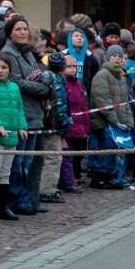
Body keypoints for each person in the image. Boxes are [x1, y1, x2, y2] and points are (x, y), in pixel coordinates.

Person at [0, 16, 52, 216]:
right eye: (18, 29)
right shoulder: (8, 54)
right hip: (20, 114)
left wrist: (43, 85)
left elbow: (42, 76)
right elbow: (17, 82)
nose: (23, 32)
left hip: (35, 113)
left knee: (31, 161)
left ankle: (31, 198)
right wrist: (42, 88)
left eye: (25, 29)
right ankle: (18, 201)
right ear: (10, 32)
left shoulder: (29, 54)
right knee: (18, 162)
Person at [0, 54, 26, 221]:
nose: (0, 71)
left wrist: (22, 127)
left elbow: (19, 109)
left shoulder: (14, 88)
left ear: (9, 70)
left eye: (4, 67)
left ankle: (4, 207)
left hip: (11, 137)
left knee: (5, 173)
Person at [87, 45, 135, 190]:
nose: (118, 58)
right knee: (105, 152)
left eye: (120, 56)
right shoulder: (102, 75)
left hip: (117, 123)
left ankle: (114, 177)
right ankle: (100, 179)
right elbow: (103, 100)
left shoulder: (121, 76)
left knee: (116, 152)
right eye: (114, 55)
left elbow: (125, 102)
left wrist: (128, 121)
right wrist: (115, 121)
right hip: (104, 122)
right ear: (108, 57)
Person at [39, 53, 72, 204]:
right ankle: (47, 190)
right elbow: (58, 103)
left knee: (51, 157)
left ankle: (47, 188)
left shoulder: (51, 77)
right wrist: (65, 121)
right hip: (52, 125)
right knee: (53, 157)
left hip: (49, 123)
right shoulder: (56, 80)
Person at [59, 55, 89, 193]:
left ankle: (73, 178)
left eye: (74, 67)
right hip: (68, 127)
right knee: (66, 157)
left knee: (76, 156)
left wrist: (86, 126)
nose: (72, 69)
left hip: (79, 127)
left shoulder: (78, 83)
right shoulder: (62, 84)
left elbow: (84, 107)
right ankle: (68, 182)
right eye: (69, 66)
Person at [64, 27, 99, 95]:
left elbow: (94, 74)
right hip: (67, 92)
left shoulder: (90, 56)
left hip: (84, 92)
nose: (79, 38)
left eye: (82, 36)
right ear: (70, 39)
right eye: (76, 36)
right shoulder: (63, 54)